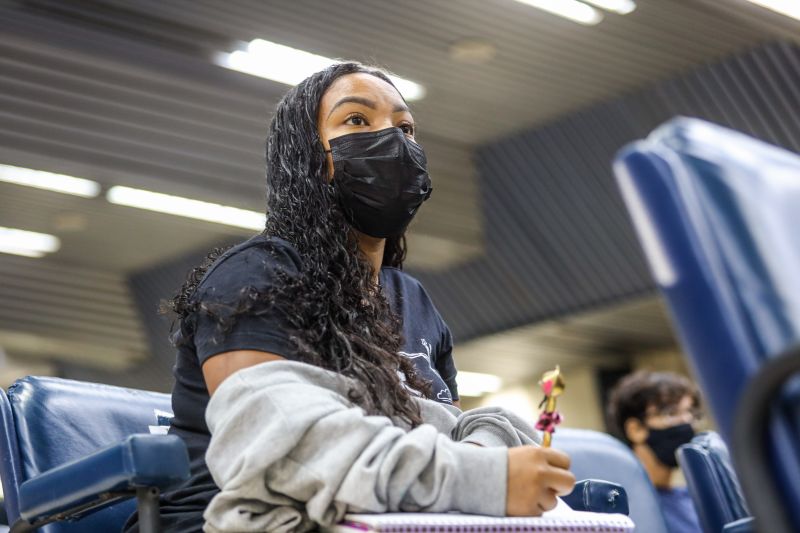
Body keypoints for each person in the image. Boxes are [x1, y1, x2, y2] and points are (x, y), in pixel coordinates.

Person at [124, 62, 575, 532]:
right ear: (309, 159)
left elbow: (445, 430)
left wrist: (481, 457)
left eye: (405, 128)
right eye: (357, 120)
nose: (394, 141)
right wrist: (478, 477)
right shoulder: (257, 277)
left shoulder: (412, 300)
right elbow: (288, 450)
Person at [606, 370, 703, 533]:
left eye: (690, 413)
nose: (687, 422)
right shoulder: (621, 509)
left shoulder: (693, 500)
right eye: (671, 413)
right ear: (635, 429)